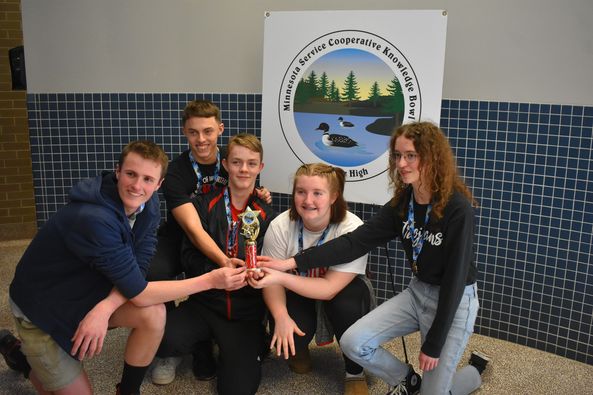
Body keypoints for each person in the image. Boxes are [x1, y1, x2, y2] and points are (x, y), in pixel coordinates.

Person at [258, 122, 490, 395]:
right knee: (353, 343)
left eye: (410, 155)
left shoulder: (457, 208)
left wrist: (434, 343)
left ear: (431, 156)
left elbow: (455, 278)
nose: (401, 163)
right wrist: (292, 262)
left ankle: (474, 371)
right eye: (397, 155)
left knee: (435, 392)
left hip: (454, 301)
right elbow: (354, 243)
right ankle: (407, 380)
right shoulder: (405, 202)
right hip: (418, 294)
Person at [8, 140, 247, 395]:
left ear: (158, 185)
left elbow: (140, 264)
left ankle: (128, 391)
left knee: (154, 313)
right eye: (131, 174)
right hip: (42, 310)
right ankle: (19, 355)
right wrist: (211, 280)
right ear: (117, 171)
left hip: (87, 292)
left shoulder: (148, 204)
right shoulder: (94, 219)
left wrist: (106, 306)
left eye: (147, 179)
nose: (137, 186)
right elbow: (139, 291)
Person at [147, 99, 271, 384]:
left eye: (207, 131)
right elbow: (193, 230)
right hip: (185, 234)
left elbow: (246, 184)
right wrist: (222, 262)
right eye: (193, 132)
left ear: (219, 129)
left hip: (223, 234)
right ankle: (187, 343)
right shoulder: (177, 171)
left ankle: (244, 334)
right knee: (154, 272)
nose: (201, 139)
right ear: (184, 132)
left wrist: (260, 195)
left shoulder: (232, 159)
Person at [249, 163, 374, 395]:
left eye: (318, 193)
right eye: (301, 192)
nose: (308, 200)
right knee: (288, 337)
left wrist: (279, 276)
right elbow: (271, 282)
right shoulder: (280, 226)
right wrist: (281, 316)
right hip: (299, 290)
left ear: (334, 196)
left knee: (348, 303)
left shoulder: (351, 227)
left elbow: (329, 288)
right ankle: (300, 348)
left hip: (340, 292)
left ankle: (355, 370)